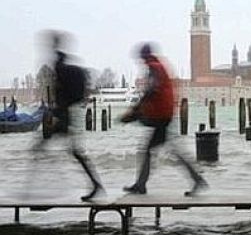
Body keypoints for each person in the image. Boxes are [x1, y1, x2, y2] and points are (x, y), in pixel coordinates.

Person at [121, 43, 208, 196]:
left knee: (150, 150)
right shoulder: (158, 66)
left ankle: (142, 185)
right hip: (164, 114)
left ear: (144, 56)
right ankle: (196, 179)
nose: (140, 61)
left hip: (161, 115)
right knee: (166, 150)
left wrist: (135, 110)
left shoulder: (154, 67)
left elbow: (152, 90)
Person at [33, 31, 103, 201]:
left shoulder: (59, 65)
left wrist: (56, 114)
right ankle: (94, 184)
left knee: (50, 148)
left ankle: (91, 185)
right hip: (65, 113)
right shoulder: (60, 62)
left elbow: (63, 95)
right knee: (73, 151)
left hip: (65, 114)